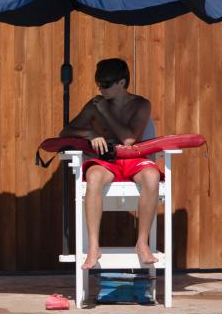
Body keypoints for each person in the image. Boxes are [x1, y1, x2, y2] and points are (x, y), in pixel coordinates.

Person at [60, 58, 160, 269]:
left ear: (122, 83)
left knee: (152, 176)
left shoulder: (141, 104)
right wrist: (90, 132)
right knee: (93, 177)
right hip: (108, 159)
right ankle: (94, 247)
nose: (101, 89)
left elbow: (129, 140)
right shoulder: (95, 104)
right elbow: (66, 132)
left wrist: (105, 113)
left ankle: (142, 243)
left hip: (134, 157)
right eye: (98, 84)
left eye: (106, 84)